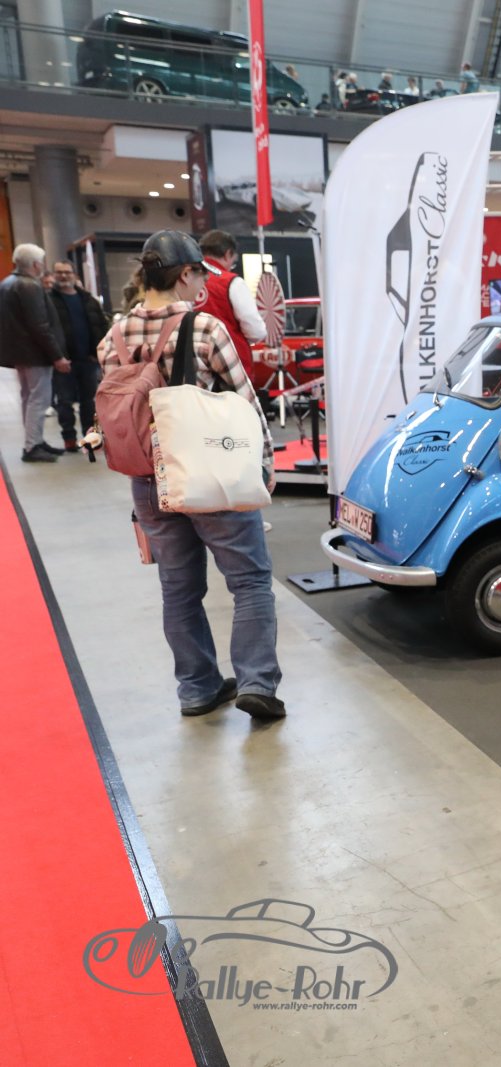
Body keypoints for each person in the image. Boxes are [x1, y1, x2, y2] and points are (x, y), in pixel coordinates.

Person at [97, 230, 284, 722]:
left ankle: (197, 689)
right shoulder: (204, 328)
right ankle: (256, 683)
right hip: (209, 472)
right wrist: (264, 463)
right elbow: (245, 403)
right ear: (185, 274)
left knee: (178, 589)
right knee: (249, 581)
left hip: (147, 479)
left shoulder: (114, 337)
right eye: (200, 273)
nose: (202, 283)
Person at [0, 243, 71, 462]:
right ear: (35, 264)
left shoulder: (7, 283)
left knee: (28, 398)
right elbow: (39, 325)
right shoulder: (29, 286)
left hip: (20, 354)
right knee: (39, 400)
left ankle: (35, 440)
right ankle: (32, 445)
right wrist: (57, 355)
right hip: (35, 355)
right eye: (41, 261)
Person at [47, 261, 110, 451]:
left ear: (74, 275)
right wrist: (56, 356)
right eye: (59, 272)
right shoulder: (48, 300)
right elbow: (47, 331)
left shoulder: (89, 300)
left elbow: (102, 327)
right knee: (64, 402)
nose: (63, 276)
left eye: (67, 272)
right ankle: (69, 438)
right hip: (63, 361)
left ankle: (89, 438)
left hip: (88, 360)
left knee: (89, 401)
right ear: (54, 275)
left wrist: (97, 352)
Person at [197, 230, 270, 389]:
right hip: (229, 370)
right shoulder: (231, 282)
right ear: (228, 254)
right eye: (233, 261)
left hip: (193, 371)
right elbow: (256, 332)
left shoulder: (186, 278)